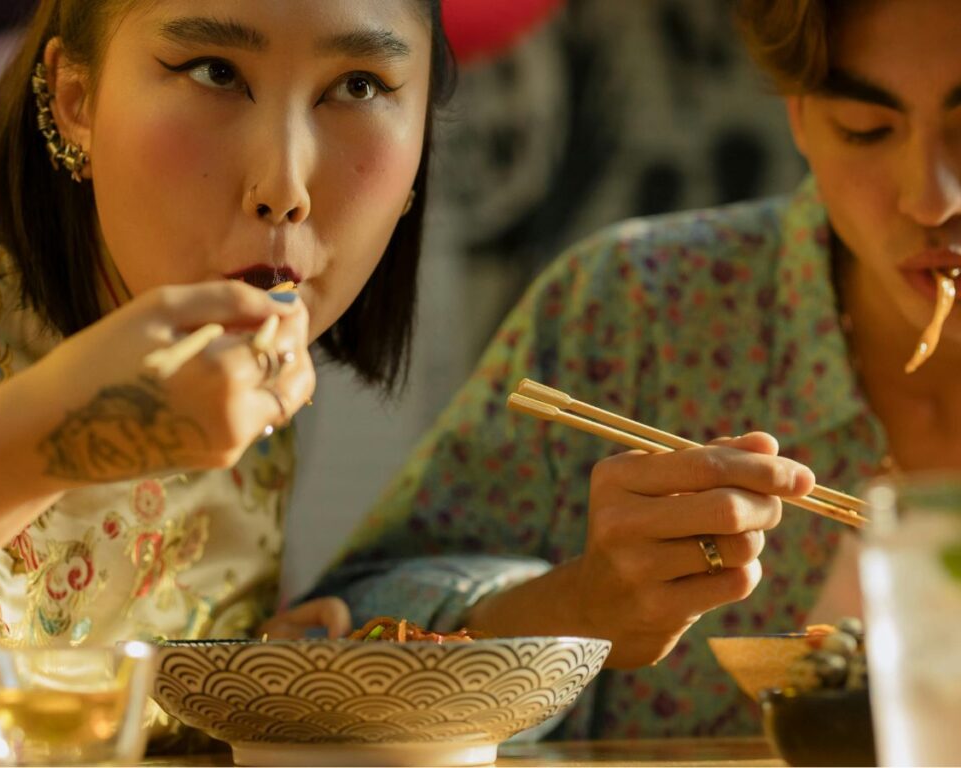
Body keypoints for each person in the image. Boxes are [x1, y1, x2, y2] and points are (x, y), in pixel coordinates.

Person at [309, 0, 961, 739]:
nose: (932, 199)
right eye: (866, 130)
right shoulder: (638, 308)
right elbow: (338, 640)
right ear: (801, 119)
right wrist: (581, 606)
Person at [0, 0, 453, 758]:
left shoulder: (246, 411)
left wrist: (236, 682)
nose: (283, 185)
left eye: (359, 87)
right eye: (216, 73)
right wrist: (53, 437)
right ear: (75, 99)